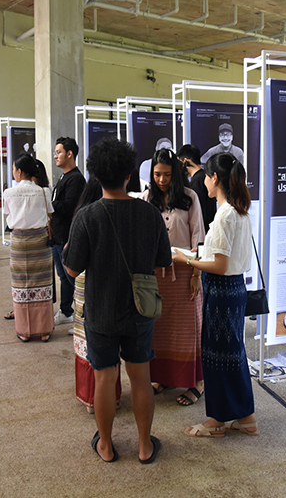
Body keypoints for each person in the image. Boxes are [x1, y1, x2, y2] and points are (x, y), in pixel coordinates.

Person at [63, 138, 171, 464]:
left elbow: (72, 270)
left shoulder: (87, 216)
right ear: (129, 175)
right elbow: (162, 261)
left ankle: (107, 446)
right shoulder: (150, 214)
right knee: (140, 378)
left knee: (105, 378)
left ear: (96, 176)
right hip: (140, 310)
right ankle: (144, 446)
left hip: (101, 311)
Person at [173, 152, 259, 438]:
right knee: (234, 354)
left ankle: (217, 419)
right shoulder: (239, 211)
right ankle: (245, 416)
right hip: (235, 289)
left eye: (206, 177)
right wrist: (197, 256)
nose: (203, 182)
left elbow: (220, 266)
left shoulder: (225, 215)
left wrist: (187, 261)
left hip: (221, 291)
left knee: (217, 356)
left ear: (215, 178)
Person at [142, 149, 205, 406]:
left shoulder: (190, 197)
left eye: (167, 174)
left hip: (185, 271)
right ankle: (165, 377)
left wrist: (196, 274)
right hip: (157, 273)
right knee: (160, 330)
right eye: (157, 174)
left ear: (175, 174)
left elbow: (199, 237)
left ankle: (197, 382)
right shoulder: (147, 198)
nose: (161, 179)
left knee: (189, 330)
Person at [71, 179, 122, 413]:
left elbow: (71, 264)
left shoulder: (84, 217)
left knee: (87, 340)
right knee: (109, 345)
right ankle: (112, 396)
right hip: (111, 287)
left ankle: (91, 397)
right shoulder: (117, 214)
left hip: (85, 286)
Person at [3, 153, 55, 342]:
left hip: (19, 242)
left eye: (14, 169)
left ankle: (24, 330)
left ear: (19, 171)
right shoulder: (44, 192)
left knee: (21, 285)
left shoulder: (8, 193)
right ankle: (44, 330)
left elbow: (8, 214)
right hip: (40, 242)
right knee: (43, 284)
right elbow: (50, 213)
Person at [50, 137, 86, 328]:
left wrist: (50, 203)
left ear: (69, 154)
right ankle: (66, 311)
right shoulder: (64, 177)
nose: (55, 156)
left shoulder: (76, 179)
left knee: (72, 278)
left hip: (67, 237)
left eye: (59, 152)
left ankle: (81, 316)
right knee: (63, 277)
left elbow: (70, 206)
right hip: (57, 236)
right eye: (55, 152)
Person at [177, 144, 216, 232]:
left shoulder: (197, 182)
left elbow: (199, 213)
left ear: (186, 161)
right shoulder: (204, 177)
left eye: (179, 163)